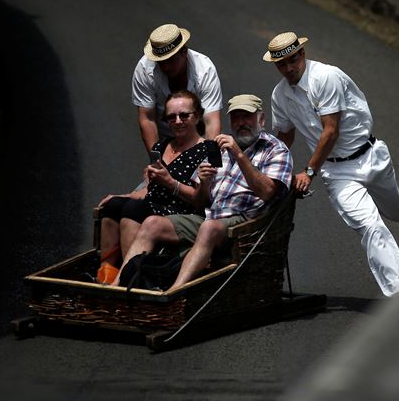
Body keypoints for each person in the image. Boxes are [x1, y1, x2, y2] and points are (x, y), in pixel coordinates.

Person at [263, 31, 399, 297]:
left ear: (302, 55)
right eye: (281, 64)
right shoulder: (279, 95)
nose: (288, 68)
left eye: (292, 60)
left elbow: (330, 131)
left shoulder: (327, 77)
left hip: (370, 156)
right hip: (337, 172)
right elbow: (285, 136)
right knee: (370, 226)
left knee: (397, 212)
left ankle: (379, 199)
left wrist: (308, 171)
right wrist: (269, 171)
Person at [112, 94, 293, 291]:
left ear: (261, 119)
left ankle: (174, 292)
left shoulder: (275, 149)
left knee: (209, 228)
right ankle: (118, 284)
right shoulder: (219, 149)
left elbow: (267, 192)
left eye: (247, 117)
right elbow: (200, 202)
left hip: (244, 222)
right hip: (209, 217)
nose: (241, 123)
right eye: (236, 118)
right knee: (152, 222)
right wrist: (205, 183)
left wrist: (239, 156)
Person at [95, 91, 209, 283]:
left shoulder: (206, 150)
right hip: (153, 203)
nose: (177, 121)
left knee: (134, 209)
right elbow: (150, 188)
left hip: (180, 211)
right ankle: (106, 274)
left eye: (184, 115)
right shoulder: (162, 146)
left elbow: (200, 201)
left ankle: (130, 277)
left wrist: (170, 183)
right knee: (113, 205)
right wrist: (124, 196)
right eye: (171, 117)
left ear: (197, 116)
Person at [132, 23, 223, 153]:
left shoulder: (205, 70)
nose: (166, 67)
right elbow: (147, 118)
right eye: (161, 62)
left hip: (198, 135)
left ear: (184, 52)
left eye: (171, 60)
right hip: (165, 136)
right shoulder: (145, 69)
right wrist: (156, 160)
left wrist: (210, 161)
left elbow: (211, 121)